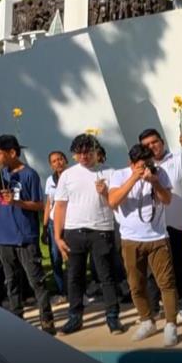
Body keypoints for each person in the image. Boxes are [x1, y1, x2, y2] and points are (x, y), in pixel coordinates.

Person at [53, 133, 124, 335]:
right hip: (74, 231)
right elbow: (60, 206)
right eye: (79, 153)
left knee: (106, 276)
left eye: (88, 152)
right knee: (74, 277)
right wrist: (58, 236)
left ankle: (112, 317)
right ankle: (74, 317)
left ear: (96, 152)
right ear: (74, 155)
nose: (84, 156)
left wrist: (105, 192)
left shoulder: (109, 173)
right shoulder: (67, 175)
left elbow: (116, 201)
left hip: (101, 230)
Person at [108, 144, 177, 346]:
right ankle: (147, 320)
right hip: (130, 239)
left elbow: (167, 200)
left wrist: (154, 182)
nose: (147, 166)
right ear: (131, 163)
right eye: (141, 163)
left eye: (149, 162)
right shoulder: (119, 175)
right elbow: (113, 201)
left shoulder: (159, 173)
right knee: (135, 285)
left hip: (157, 237)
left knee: (166, 282)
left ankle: (171, 324)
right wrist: (134, 178)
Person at [0, 135, 55, 334]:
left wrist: (17, 203)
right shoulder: (0, 174)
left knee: (35, 279)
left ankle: (46, 319)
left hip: (24, 236)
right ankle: (17, 318)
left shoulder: (29, 175)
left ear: (12, 153)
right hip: (5, 237)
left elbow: (39, 205)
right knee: (10, 281)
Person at [139, 128, 182, 322]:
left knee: (178, 268)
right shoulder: (142, 166)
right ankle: (154, 309)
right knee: (152, 270)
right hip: (152, 227)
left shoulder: (177, 157)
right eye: (147, 145)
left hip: (176, 223)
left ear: (162, 142)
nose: (152, 147)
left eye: (154, 142)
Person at [42, 150, 69, 302]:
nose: (58, 162)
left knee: (72, 258)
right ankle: (62, 291)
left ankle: (78, 291)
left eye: (60, 159)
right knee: (55, 257)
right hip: (54, 222)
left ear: (66, 160)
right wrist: (45, 226)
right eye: (54, 161)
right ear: (51, 165)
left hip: (71, 222)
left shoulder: (73, 176)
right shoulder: (49, 181)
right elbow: (48, 204)